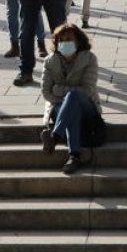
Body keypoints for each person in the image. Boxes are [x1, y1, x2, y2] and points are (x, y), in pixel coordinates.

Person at [40, 23, 103, 175]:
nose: (65, 43)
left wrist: (60, 90)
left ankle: (54, 136)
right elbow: (46, 92)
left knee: (74, 97)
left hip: (87, 106)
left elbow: (87, 90)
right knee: (70, 109)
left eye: (69, 39)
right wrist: (67, 100)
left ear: (78, 41)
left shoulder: (89, 59)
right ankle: (74, 156)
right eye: (61, 40)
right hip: (58, 107)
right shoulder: (50, 61)